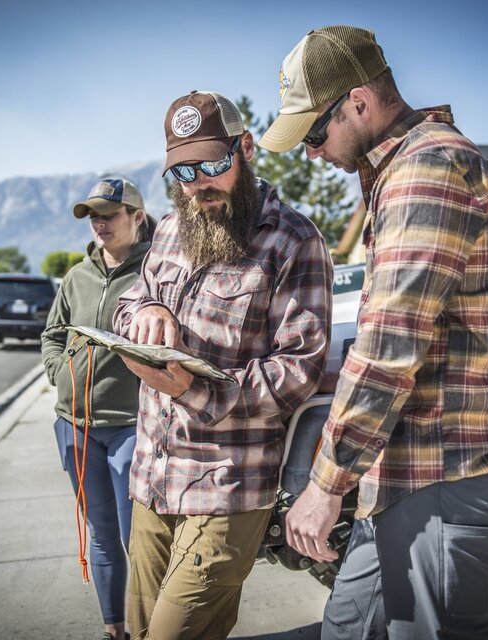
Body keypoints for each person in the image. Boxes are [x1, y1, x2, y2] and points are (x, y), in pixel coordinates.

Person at [260, 26, 488, 639]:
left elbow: (389, 343)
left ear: (359, 103)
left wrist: (325, 483)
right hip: (403, 472)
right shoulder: (403, 169)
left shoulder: (425, 171)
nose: (310, 153)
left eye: (314, 133)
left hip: (445, 471)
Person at [112, 90, 334, 640]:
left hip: (229, 487)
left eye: (212, 164)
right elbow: (125, 307)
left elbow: (299, 368)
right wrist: (149, 308)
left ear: (247, 149)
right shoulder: (166, 230)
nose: (198, 182)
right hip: (152, 480)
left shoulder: (294, 241)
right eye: (183, 171)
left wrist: (195, 389)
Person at [41, 177, 155, 640]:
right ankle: (114, 629)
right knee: (102, 535)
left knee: (139, 539)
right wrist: (60, 372)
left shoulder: (157, 271)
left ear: (137, 216)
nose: (99, 223)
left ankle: (154, 629)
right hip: (75, 427)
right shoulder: (76, 276)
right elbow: (53, 333)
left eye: (109, 213)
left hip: (133, 428)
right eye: (93, 215)